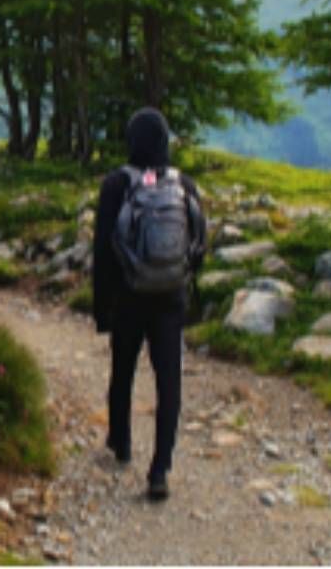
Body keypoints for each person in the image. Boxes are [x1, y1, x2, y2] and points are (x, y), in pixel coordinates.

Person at [92, 107, 207, 501]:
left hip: (129, 294)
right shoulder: (183, 184)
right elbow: (199, 242)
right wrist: (184, 284)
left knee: (123, 369)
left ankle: (121, 442)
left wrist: (102, 309)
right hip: (170, 297)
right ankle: (160, 469)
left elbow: (103, 251)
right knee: (168, 381)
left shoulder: (117, 185)